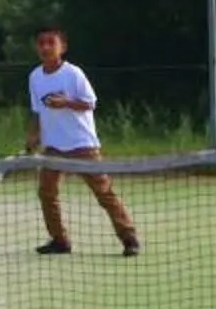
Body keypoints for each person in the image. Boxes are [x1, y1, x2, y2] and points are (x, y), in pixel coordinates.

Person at [24, 26, 140, 257]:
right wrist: (33, 135)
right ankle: (60, 241)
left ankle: (129, 238)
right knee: (47, 193)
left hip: (83, 146)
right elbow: (37, 112)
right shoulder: (35, 77)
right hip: (53, 147)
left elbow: (90, 103)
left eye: (51, 42)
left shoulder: (74, 74)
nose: (46, 47)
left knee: (104, 192)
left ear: (62, 48)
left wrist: (66, 103)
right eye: (41, 43)